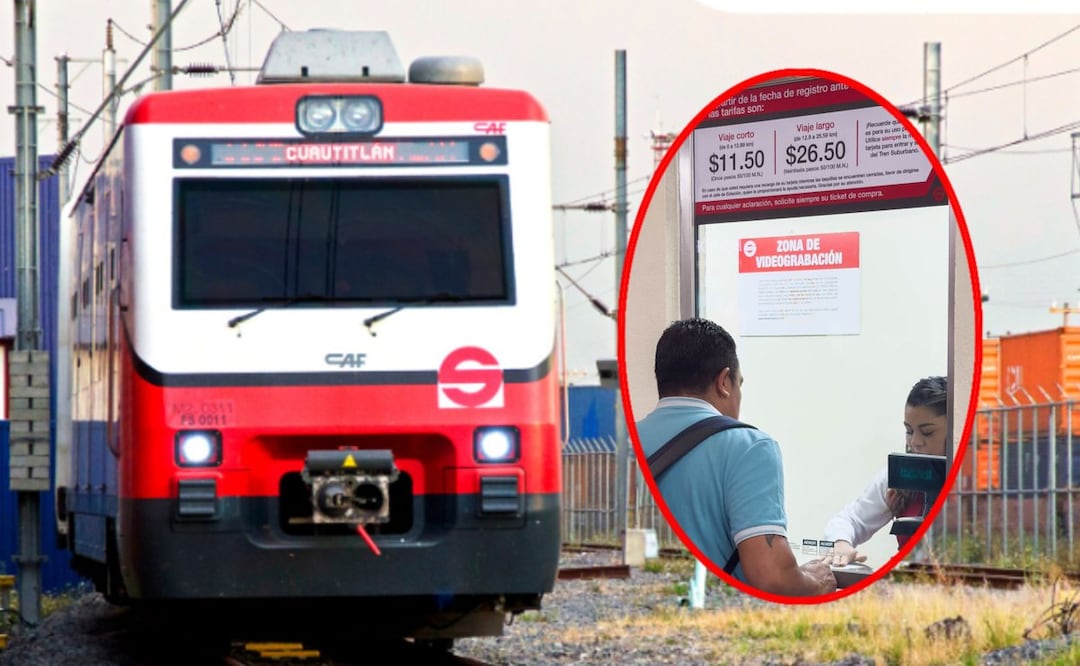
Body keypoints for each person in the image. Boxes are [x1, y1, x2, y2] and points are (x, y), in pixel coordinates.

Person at [635, 318, 836, 597]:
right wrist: (817, 581)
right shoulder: (750, 447)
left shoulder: (628, 446)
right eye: (739, 384)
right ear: (724, 382)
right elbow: (771, 577)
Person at [822, 376, 948, 566]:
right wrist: (840, 543)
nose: (914, 442)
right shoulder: (897, 476)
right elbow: (851, 519)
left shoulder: (975, 480)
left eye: (927, 432)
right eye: (909, 431)